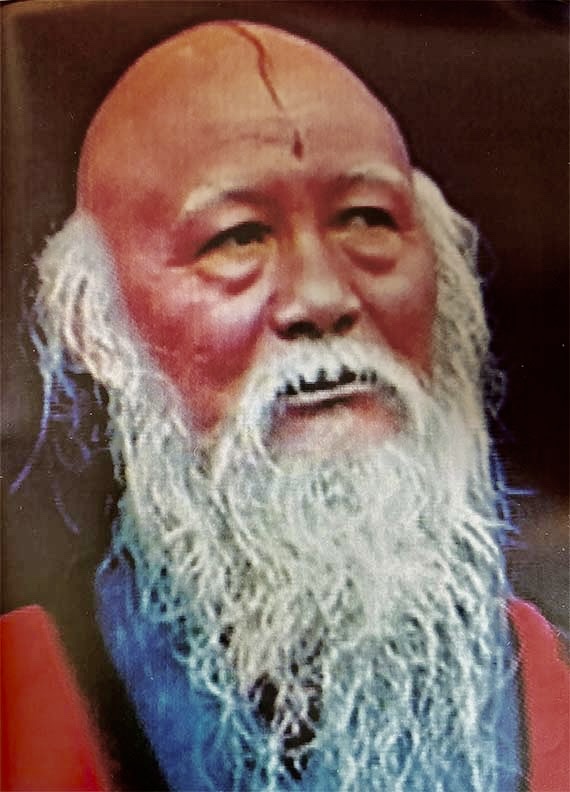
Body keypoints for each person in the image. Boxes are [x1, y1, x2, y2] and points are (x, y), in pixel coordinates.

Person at [4, 20, 568, 792]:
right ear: (95, 329)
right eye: (237, 238)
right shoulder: (24, 701)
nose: (323, 298)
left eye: (368, 220)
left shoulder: (550, 683)